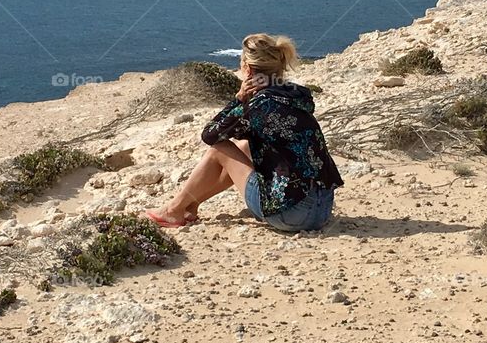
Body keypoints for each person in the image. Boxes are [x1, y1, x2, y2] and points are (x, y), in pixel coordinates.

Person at [146, 33, 343, 231]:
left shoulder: (259, 105)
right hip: (322, 209)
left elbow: (210, 135)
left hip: (292, 216)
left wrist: (239, 99)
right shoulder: (294, 94)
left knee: (220, 149)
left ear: (248, 69)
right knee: (245, 147)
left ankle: (173, 210)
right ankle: (192, 205)